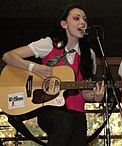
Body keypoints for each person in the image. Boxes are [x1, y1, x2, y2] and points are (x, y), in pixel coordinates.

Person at [2, 4, 104, 146]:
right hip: (49, 109)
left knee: (72, 124)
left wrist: (96, 97)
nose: (83, 22)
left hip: (77, 112)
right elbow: (8, 56)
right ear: (64, 24)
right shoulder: (49, 44)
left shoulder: (89, 55)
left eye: (85, 20)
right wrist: (34, 67)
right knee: (64, 121)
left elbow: (85, 92)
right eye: (76, 18)